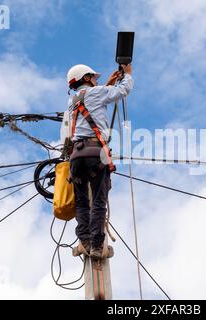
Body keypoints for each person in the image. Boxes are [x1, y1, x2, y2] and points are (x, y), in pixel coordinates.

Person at [66, 63, 133, 259]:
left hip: (76, 157)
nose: (96, 81)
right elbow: (123, 90)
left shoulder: (72, 101)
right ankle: (96, 245)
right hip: (95, 152)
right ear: (86, 78)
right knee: (98, 200)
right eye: (93, 78)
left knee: (81, 202)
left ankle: (85, 240)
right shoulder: (96, 93)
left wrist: (105, 84)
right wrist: (127, 75)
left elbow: (93, 100)